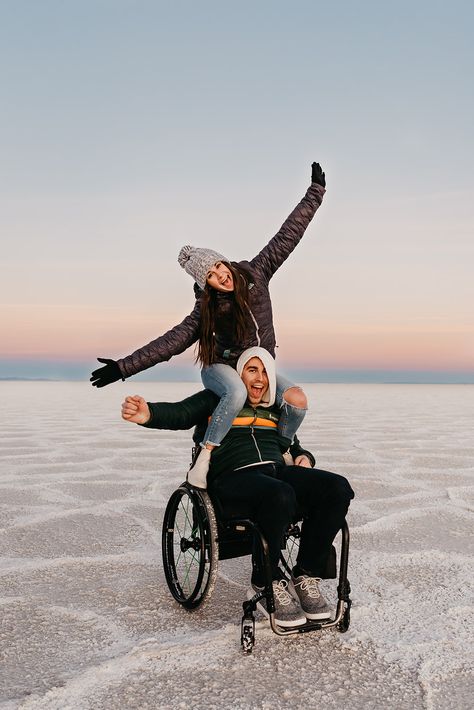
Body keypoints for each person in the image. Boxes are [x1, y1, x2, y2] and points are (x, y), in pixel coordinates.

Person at [91, 162, 326, 489]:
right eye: (211, 277)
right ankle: (205, 457)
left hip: (259, 366)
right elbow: (171, 342)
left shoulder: (255, 273)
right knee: (235, 391)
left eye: (218, 267)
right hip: (223, 368)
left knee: (297, 400)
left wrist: (315, 193)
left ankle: (284, 449)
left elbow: (287, 235)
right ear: (207, 284)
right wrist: (123, 367)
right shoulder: (208, 309)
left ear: (223, 261)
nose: (220, 276)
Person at [121, 346, 354, 629]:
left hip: (278, 473)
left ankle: (305, 574)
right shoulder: (219, 400)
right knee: (279, 493)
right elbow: (181, 413)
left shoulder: (275, 409)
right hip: (233, 479)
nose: (259, 379)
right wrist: (147, 414)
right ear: (237, 375)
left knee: (337, 488)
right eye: (251, 370)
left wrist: (305, 457)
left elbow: (294, 445)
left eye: (264, 372)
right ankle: (263, 581)